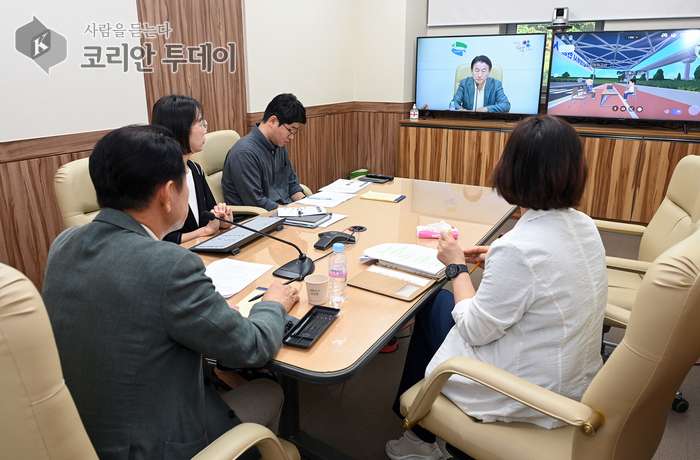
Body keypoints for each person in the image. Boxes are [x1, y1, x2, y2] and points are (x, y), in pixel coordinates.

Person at [42, 125, 300, 460]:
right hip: (153, 447)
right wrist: (273, 305)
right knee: (268, 391)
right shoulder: (171, 265)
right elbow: (252, 348)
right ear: (167, 193)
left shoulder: (64, 244)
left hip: (78, 436)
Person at [386, 115, 607, 460]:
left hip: (525, 395)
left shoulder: (518, 248)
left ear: (513, 169)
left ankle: (418, 437)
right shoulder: (585, 225)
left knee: (434, 306)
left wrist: (457, 267)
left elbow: (474, 329)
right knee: (441, 305)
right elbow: (549, 280)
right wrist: (500, 262)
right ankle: (418, 434)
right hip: (572, 379)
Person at [152, 94, 233, 244]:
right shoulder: (157, 178)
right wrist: (203, 231)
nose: (205, 130)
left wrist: (221, 220)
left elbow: (210, 215)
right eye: (200, 123)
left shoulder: (195, 169)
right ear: (180, 128)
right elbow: (159, 238)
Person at [222, 93, 306, 214]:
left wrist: (309, 206)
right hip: (256, 219)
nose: (291, 137)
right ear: (273, 121)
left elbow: (291, 183)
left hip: (284, 213)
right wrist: (293, 212)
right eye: (290, 130)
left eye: (294, 132)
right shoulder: (244, 153)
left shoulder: (279, 143)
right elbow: (256, 201)